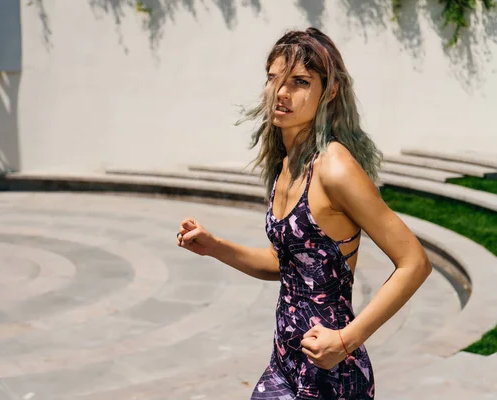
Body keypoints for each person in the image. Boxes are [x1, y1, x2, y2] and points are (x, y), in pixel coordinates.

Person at [176, 27, 431, 399]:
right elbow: (288, 265)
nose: (281, 92)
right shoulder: (288, 165)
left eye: (299, 82)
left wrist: (346, 340)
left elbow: (415, 262)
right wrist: (215, 246)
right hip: (285, 361)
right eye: (273, 79)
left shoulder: (335, 167)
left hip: (332, 374)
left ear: (328, 92)